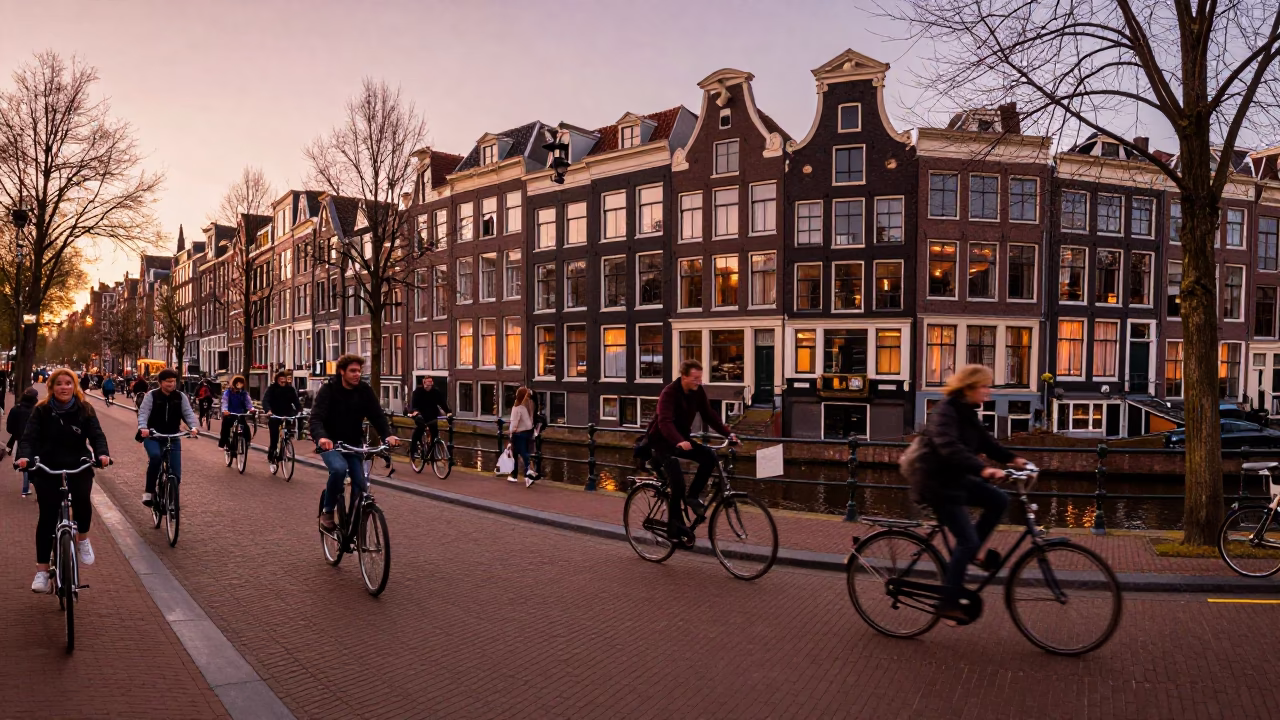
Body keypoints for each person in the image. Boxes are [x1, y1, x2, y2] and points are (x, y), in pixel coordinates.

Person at [917, 364, 1027, 623]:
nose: (988, 391)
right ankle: (947, 602)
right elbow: (949, 447)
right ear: (969, 387)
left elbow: (986, 442)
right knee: (965, 541)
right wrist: (984, 471)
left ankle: (976, 553)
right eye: (984, 386)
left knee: (999, 499)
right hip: (938, 484)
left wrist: (1014, 459)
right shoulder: (945, 411)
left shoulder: (967, 411)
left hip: (957, 480)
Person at [17, 369, 110, 593]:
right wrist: (25, 457)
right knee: (47, 517)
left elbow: (97, 435)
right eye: (59, 383)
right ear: (51, 387)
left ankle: (83, 539)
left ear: (75, 385)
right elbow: (29, 438)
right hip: (48, 465)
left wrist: (102, 454)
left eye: (69, 383)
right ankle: (41, 572)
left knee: (82, 501)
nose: (64, 387)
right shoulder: (41, 410)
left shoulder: (84, 409)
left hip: (78, 463)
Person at [644, 359, 738, 542]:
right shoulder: (669, 393)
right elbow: (665, 422)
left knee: (709, 456)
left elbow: (709, 415)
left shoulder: (697, 392)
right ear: (684, 376)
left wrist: (728, 434)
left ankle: (693, 497)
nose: (698, 382)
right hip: (662, 442)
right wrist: (678, 440)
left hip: (682, 440)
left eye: (700, 378)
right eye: (695, 378)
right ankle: (673, 528)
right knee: (677, 483)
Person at [310, 354, 398, 530]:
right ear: (342, 371)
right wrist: (322, 437)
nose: (357, 374)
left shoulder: (364, 390)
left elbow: (377, 415)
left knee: (360, 484)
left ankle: (353, 525)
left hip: (353, 444)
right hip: (331, 444)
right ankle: (327, 511)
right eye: (352, 371)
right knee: (339, 469)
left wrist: (387, 435)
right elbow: (316, 419)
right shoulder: (328, 390)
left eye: (359, 370)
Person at [137, 369, 200, 507]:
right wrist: (143, 428)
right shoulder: (151, 396)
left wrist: (193, 427)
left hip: (173, 436)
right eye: (168, 381)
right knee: (155, 457)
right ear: (160, 382)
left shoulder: (180, 396)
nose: (171, 384)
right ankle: (149, 492)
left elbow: (188, 413)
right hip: (153, 435)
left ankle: (171, 500)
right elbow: (143, 413)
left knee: (176, 472)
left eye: (173, 381)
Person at [262, 370, 301, 464]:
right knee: (274, 438)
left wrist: (300, 410)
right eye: (281, 381)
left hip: (287, 413)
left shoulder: (290, 389)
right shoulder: (272, 388)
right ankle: (271, 455)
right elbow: (265, 400)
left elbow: (295, 401)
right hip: (275, 414)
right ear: (277, 380)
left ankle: (286, 443)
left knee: (289, 431)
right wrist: (268, 411)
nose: (283, 383)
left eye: (284, 381)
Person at [6, 387, 38, 497]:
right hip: (35, 439)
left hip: (20, 439)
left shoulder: (16, 409)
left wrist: (17, 433)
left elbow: (9, 428)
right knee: (36, 462)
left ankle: (25, 487)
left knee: (24, 461)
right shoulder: (37, 409)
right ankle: (35, 485)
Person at [408, 375, 450, 458]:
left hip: (432, 416)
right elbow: (414, 404)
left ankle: (430, 453)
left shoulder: (436, 392)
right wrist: (415, 411)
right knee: (420, 429)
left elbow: (442, 403)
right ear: (424, 383)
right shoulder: (418, 392)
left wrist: (448, 412)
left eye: (431, 382)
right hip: (420, 415)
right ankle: (413, 450)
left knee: (434, 434)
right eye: (428, 382)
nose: (430, 384)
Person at [507, 386, 536, 486]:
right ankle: (524, 475)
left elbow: (514, 423)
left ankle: (524, 474)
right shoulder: (527, 406)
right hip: (527, 432)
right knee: (523, 452)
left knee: (517, 454)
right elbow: (529, 422)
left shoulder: (517, 408)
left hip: (518, 434)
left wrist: (510, 433)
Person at [218, 375, 253, 451]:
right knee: (225, 426)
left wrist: (252, 409)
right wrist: (225, 411)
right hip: (230, 414)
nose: (239, 385)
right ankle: (222, 443)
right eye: (238, 383)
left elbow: (248, 403)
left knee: (246, 428)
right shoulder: (228, 393)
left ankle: (247, 442)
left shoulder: (244, 394)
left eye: (241, 384)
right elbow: (225, 402)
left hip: (240, 414)